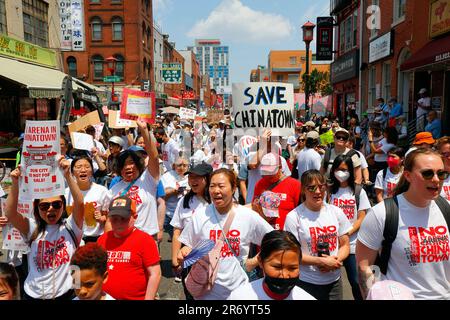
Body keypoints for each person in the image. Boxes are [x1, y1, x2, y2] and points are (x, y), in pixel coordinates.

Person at [356, 148, 450, 300]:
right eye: (427, 173)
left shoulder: (446, 209)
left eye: (441, 173)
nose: (436, 179)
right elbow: (365, 266)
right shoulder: (382, 213)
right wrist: (372, 295)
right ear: (408, 175)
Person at [177, 168, 274, 300]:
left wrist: (255, 260)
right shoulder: (200, 215)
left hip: (238, 290)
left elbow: (275, 241)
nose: (216, 191)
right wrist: (184, 252)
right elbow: (188, 246)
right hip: (205, 291)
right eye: (212, 186)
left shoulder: (247, 216)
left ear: (234, 188)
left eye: (221, 186)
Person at [5, 157, 84, 300]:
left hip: (64, 295)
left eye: (56, 204)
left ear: (63, 205)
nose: (50, 209)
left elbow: (79, 203)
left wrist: (67, 175)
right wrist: (15, 183)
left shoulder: (71, 227)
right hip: (33, 295)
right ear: (37, 208)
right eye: (44, 206)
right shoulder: (31, 227)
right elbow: (10, 214)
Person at [284, 170, 352, 300]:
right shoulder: (294, 217)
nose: (317, 191)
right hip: (306, 282)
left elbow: (345, 244)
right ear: (303, 190)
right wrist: (321, 261)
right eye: (311, 188)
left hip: (334, 283)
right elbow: (292, 253)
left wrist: (335, 261)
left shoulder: (336, 212)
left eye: (321, 186)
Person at [97, 196, 161, 300]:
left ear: (135, 217)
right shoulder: (102, 240)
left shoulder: (145, 240)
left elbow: (155, 274)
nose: (118, 222)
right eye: (114, 218)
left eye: (124, 218)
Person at [328, 155, 371, 300]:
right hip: (332, 245)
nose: (341, 172)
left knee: (356, 281)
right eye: (338, 169)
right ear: (333, 171)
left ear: (351, 171)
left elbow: (362, 217)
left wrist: (347, 232)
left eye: (344, 169)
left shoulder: (358, 191)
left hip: (353, 244)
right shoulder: (328, 191)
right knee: (330, 283)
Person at [107, 120, 160, 238]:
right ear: (119, 169)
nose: (128, 167)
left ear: (138, 164)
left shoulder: (148, 179)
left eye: (131, 163)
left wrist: (144, 130)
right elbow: (109, 220)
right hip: (123, 239)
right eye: (124, 165)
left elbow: (154, 156)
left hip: (148, 237)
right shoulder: (113, 191)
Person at [228, 230, 315, 300]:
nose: (284, 275)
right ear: (261, 262)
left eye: (292, 268)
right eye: (277, 267)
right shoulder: (239, 297)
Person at [170, 162, 212, 292]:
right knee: (190, 293)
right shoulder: (184, 201)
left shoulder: (216, 201)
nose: (192, 181)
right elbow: (177, 230)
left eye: (197, 177)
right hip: (189, 258)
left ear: (208, 178)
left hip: (213, 257)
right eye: (190, 177)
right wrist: (175, 259)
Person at [65, 155, 111, 243]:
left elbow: (108, 217)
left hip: (95, 239)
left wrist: (102, 218)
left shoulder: (102, 191)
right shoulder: (66, 193)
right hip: (73, 239)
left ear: (92, 171)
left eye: (87, 167)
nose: (83, 170)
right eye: (78, 167)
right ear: (72, 172)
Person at [252, 153, 302, 230]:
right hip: (264, 236)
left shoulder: (295, 185)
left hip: (286, 237)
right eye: (265, 172)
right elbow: (254, 209)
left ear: (280, 167)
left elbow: (301, 214)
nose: (268, 176)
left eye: (271, 172)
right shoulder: (260, 184)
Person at [161, 157, 189, 241]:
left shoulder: (190, 176)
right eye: (179, 165)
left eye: (185, 165)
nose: (182, 168)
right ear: (174, 166)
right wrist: (174, 191)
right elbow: (162, 195)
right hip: (169, 214)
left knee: (182, 240)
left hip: (185, 214)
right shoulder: (167, 176)